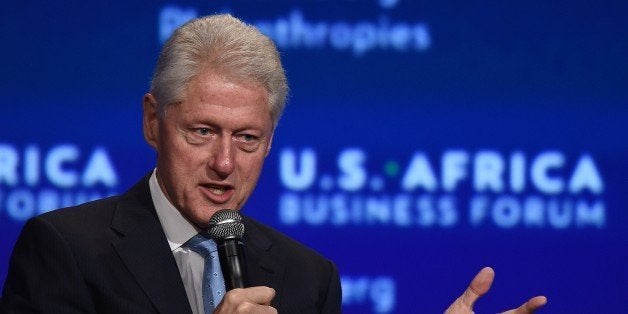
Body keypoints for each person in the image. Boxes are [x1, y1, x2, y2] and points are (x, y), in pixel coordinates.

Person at [1, 14, 546, 314]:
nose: (223, 162)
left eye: (247, 139)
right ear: (152, 121)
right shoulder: (66, 250)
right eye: (202, 131)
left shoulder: (307, 278)